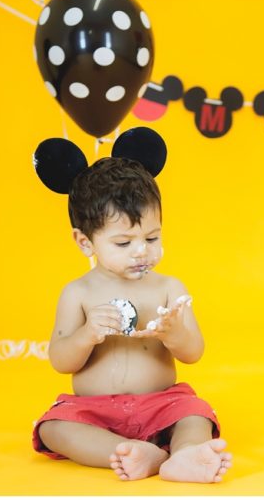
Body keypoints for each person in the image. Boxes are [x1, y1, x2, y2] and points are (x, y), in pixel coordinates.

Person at [31, 148, 231, 483]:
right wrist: (86, 334)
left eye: (152, 238)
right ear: (85, 242)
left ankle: (185, 455)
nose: (142, 251)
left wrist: (174, 333)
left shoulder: (169, 288)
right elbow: (61, 361)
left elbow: (194, 352)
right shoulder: (77, 293)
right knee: (53, 428)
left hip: (161, 404)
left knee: (195, 413)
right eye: (123, 243)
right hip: (95, 411)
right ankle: (133, 452)